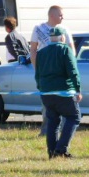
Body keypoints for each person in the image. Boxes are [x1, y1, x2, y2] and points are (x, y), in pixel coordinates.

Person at [34, 27, 81, 159]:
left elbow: (37, 74)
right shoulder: (66, 50)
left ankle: (52, 151)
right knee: (74, 117)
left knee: (53, 121)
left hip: (46, 93)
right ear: (62, 38)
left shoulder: (41, 52)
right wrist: (77, 89)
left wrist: (41, 88)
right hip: (64, 92)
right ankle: (61, 149)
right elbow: (73, 71)